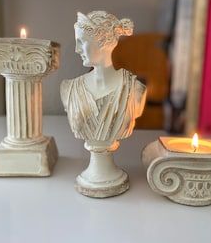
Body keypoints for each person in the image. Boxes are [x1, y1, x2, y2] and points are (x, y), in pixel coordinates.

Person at [60, 11, 147, 153]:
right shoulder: (69, 89)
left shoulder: (135, 89)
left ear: (103, 42)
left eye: (81, 42)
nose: (77, 50)